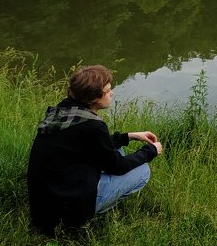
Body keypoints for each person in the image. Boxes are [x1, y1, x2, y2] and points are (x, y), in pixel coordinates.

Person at [27, 64, 162, 236]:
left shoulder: (64, 111)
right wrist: (150, 151)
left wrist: (129, 136)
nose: (111, 93)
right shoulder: (92, 126)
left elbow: (90, 145)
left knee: (118, 150)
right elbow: (117, 166)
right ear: (94, 97)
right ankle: (80, 220)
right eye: (108, 90)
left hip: (45, 201)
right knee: (143, 171)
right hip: (66, 208)